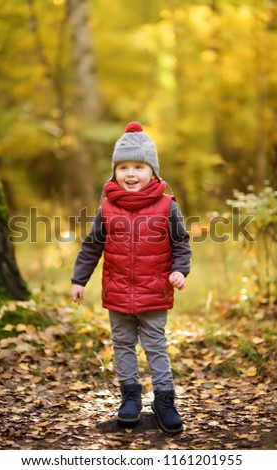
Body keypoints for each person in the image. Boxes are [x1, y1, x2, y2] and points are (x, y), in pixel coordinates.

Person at [71, 121, 192, 434]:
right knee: (123, 344)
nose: (130, 173)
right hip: (118, 291)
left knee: (155, 345)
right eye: (123, 167)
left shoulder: (167, 207)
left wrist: (180, 270)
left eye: (138, 166)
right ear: (114, 172)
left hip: (155, 292)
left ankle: (164, 400)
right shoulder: (107, 207)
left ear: (152, 171)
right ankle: (130, 398)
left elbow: (181, 243)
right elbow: (92, 246)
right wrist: (78, 279)